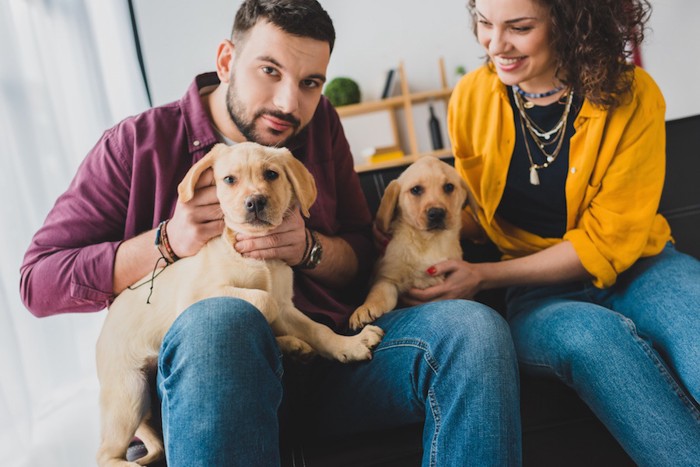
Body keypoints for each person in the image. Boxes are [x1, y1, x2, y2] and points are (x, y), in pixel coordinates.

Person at [20, 0, 521, 465]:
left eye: (310, 82)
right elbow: (37, 281)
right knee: (221, 319)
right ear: (225, 60)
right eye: (270, 71)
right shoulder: (137, 143)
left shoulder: (318, 124)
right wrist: (166, 241)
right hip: (213, 378)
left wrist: (310, 249)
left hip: (329, 357)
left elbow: (364, 248)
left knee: (474, 329)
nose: (289, 102)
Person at [400, 0, 700, 464]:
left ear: (569, 22)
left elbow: (607, 241)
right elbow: (473, 214)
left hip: (644, 266)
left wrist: (482, 277)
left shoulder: (633, 94)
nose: (495, 45)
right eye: (484, 23)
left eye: (519, 27)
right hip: (535, 294)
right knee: (595, 342)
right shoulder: (471, 98)